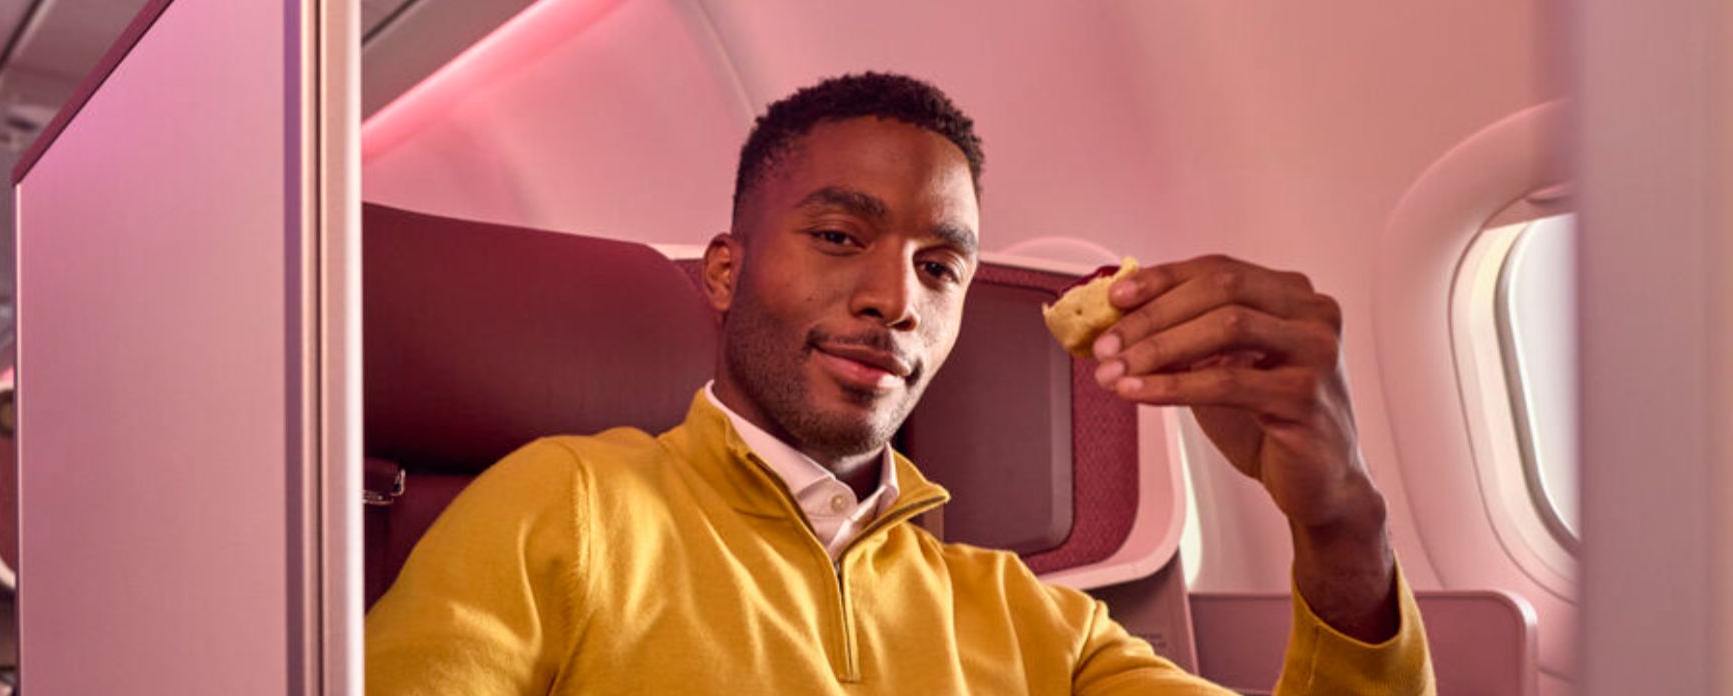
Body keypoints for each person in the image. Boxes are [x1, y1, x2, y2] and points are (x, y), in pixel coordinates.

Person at [365, 72, 1433, 693]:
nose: (896, 299)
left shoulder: (1028, 619)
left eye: (940, 267)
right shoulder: (567, 505)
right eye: (839, 236)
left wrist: (1339, 515)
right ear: (726, 271)